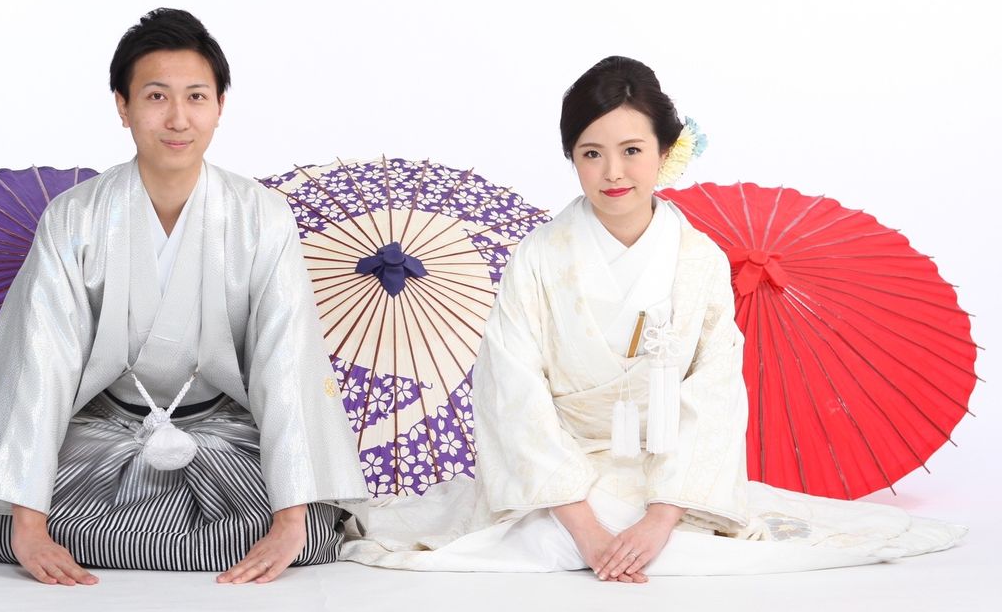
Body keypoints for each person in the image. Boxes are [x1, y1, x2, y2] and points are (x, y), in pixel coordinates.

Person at [340, 56, 965, 578]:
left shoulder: (698, 259)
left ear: (666, 151)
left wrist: (662, 516)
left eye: (632, 150)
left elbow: (715, 391)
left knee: (677, 545)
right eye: (591, 153)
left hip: (665, 476)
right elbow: (512, 390)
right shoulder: (539, 256)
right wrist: (587, 530)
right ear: (572, 157)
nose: (613, 172)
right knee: (551, 541)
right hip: (563, 479)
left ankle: (656, 523)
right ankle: (587, 528)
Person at [0, 8, 367, 585]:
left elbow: (287, 361)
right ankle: (41, 523)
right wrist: (28, 522)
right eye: (156, 96)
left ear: (220, 106)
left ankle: (266, 524)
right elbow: (40, 362)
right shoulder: (74, 217)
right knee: (19, 525)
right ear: (123, 106)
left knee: (302, 533)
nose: (178, 118)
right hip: (101, 430)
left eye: (196, 97)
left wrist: (290, 519)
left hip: (227, 431)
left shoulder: (262, 216)